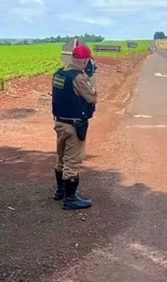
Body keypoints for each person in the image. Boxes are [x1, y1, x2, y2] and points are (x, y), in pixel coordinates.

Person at [51, 44, 98, 210]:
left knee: (61, 158)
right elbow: (92, 97)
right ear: (85, 61)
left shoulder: (59, 74)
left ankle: (60, 191)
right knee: (73, 162)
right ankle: (70, 199)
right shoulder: (79, 78)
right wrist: (91, 77)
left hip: (60, 122)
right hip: (74, 125)